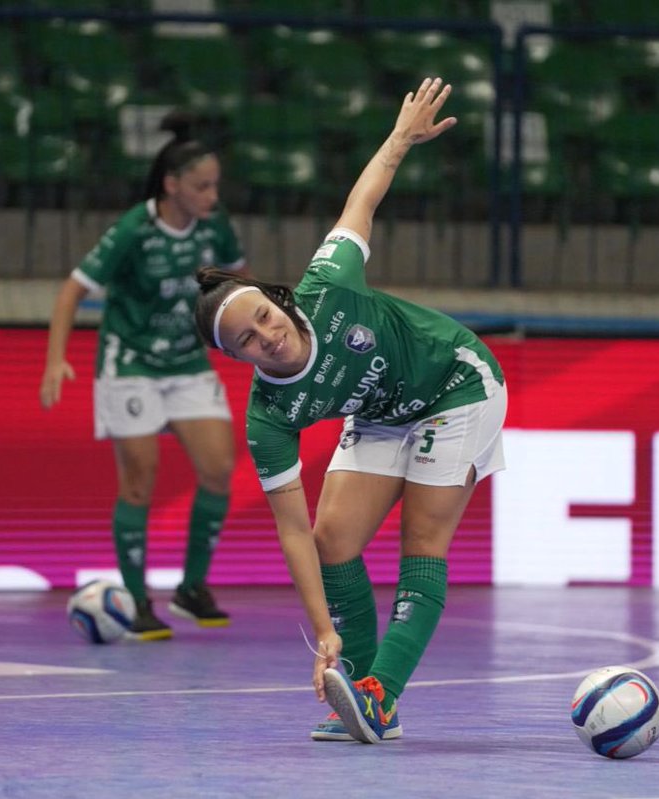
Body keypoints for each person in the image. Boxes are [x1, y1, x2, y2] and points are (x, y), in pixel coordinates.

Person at [193, 78, 507, 742]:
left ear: (276, 298)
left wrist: (400, 138)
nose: (267, 334)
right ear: (238, 357)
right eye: (247, 339)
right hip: (382, 410)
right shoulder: (269, 417)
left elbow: (362, 200)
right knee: (334, 538)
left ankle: (380, 694)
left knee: (422, 541)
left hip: (454, 383)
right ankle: (354, 684)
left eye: (264, 316)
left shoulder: (329, 281)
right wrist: (324, 631)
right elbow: (293, 533)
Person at [40, 112, 245, 640]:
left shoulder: (215, 226)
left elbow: (239, 283)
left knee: (219, 468)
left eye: (216, 185)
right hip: (128, 362)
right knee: (140, 479)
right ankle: (135, 600)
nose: (212, 195)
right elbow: (72, 290)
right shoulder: (135, 228)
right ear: (173, 186)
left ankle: (191, 587)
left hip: (186, 361)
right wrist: (55, 359)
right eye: (202, 186)